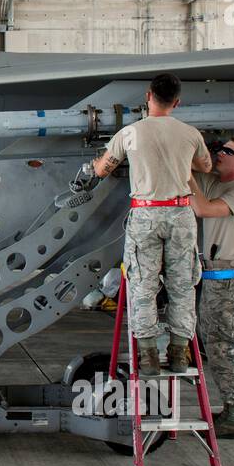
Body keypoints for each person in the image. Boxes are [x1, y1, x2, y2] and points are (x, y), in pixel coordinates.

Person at [70, 73, 213, 376]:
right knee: (183, 286)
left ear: (148, 96)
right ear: (177, 101)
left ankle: (147, 354)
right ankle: (178, 352)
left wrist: (96, 164)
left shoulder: (130, 133)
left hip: (146, 215)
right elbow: (205, 166)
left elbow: (101, 169)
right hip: (180, 214)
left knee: (143, 287)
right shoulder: (189, 133)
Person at [189, 138, 234, 439]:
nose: (222, 154)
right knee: (222, 342)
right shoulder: (214, 181)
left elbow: (203, 209)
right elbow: (190, 169)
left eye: (230, 152)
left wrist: (186, 175)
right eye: (222, 148)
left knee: (221, 345)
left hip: (228, 279)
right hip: (217, 276)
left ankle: (232, 414)